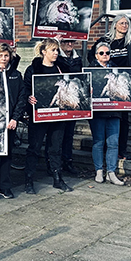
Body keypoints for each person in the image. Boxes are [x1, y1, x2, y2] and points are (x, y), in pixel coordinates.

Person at [88, 14, 131, 160]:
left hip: (124, 84)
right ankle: (106, 149)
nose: (124, 26)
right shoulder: (105, 41)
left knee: (123, 120)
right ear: (115, 25)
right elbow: (91, 55)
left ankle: (121, 150)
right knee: (106, 119)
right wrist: (98, 71)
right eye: (121, 23)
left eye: (127, 23)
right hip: (108, 82)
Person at [23, 38, 73, 194]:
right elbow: (26, 89)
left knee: (56, 148)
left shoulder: (62, 68)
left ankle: (58, 179)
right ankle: (29, 180)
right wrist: (29, 98)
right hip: (39, 115)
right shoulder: (33, 69)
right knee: (34, 148)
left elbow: (71, 85)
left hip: (58, 115)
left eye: (57, 50)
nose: (56, 53)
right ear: (44, 52)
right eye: (53, 50)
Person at [0, 44, 26, 199]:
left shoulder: (16, 75)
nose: (3, 58)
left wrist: (15, 118)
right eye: (0, 55)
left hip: (10, 122)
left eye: (6, 55)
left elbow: (21, 98)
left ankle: (5, 187)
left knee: (7, 156)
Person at [88, 42, 124, 185]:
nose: (105, 55)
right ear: (96, 55)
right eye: (101, 53)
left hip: (114, 111)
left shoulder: (116, 69)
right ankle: (99, 171)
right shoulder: (90, 69)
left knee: (113, 143)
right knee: (98, 142)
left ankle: (111, 172)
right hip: (98, 111)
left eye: (107, 53)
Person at [56, 39, 84, 175]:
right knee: (57, 134)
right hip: (61, 100)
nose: (70, 44)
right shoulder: (57, 57)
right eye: (66, 42)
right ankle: (55, 163)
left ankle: (67, 161)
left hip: (72, 100)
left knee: (69, 134)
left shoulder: (77, 59)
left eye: (72, 42)